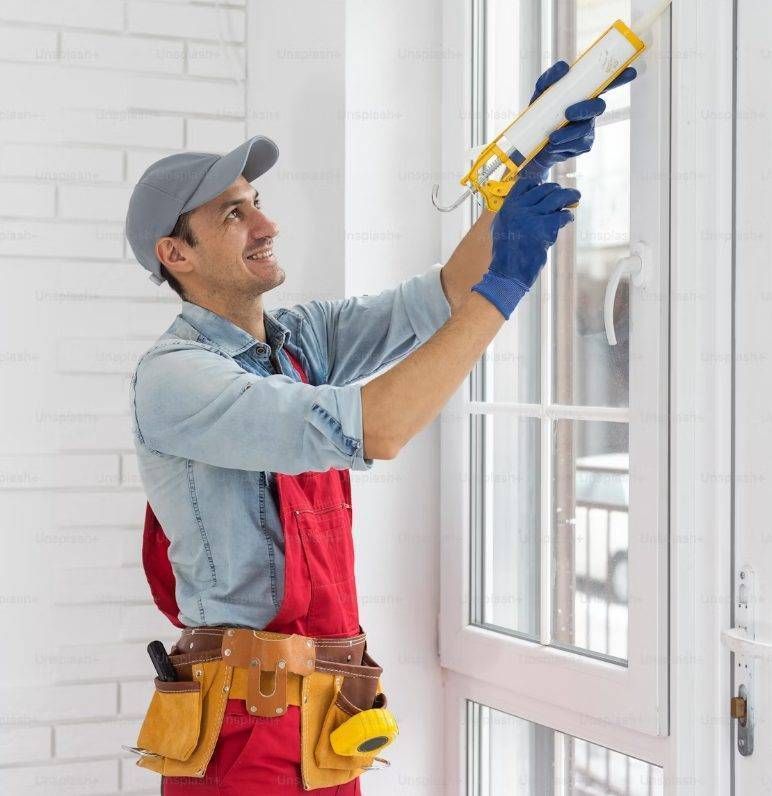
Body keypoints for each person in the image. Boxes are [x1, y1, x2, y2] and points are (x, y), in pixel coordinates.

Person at [124, 61, 635, 795]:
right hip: (239, 728)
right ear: (176, 254)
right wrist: (508, 285)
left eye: (256, 202)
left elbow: (447, 292)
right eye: (233, 215)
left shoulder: (300, 342)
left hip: (330, 720)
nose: (267, 225)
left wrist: (527, 162)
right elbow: (379, 428)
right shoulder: (176, 377)